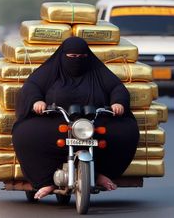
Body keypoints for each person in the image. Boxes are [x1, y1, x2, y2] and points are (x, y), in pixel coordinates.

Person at [12, 36, 139, 199]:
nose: (77, 61)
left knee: (126, 132)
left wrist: (118, 103)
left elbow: (117, 88)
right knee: (25, 134)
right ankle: (46, 180)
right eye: (72, 57)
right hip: (56, 118)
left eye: (81, 58)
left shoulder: (96, 70)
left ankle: (99, 173)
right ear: (63, 55)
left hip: (93, 120)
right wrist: (37, 101)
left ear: (88, 57)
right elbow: (32, 86)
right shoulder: (52, 70)